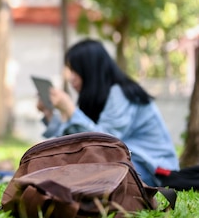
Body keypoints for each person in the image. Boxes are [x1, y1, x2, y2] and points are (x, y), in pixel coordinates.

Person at [38, 38, 179, 186]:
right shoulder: (98, 97)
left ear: (90, 69)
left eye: (75, 71)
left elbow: (105, 144)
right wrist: (50, 114)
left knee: (83, 172)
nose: (71, 78)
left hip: (154, 169)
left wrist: (70, 110)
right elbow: (77, 143)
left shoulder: (120, 94)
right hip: (128, 163)